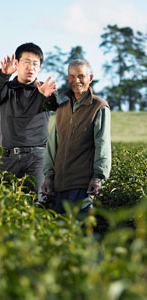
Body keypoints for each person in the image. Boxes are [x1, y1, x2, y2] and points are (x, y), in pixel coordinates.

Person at [0, 42, 59, 201]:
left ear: (40, 67)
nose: (31, 67)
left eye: (35, 64)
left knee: (38, 202)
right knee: (2, 204)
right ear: (17, 64)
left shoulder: (43, 90)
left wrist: (48, 97)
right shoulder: (6, 89)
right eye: (26, 62)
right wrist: (3, 74)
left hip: (37, 158)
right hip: (7, 157)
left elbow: (56, 105)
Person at [42, 59, 111, 215]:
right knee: (61, 234)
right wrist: (48, 176)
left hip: (83, 185)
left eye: (81, 76)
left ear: (90, 78)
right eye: (72, 76)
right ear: (67, 79)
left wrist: (98, 177)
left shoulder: (98, 107)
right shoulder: (62, 109)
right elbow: (52, 145)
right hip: (60, 185)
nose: (76, 81)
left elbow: (103, 144)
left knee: (81, 234)